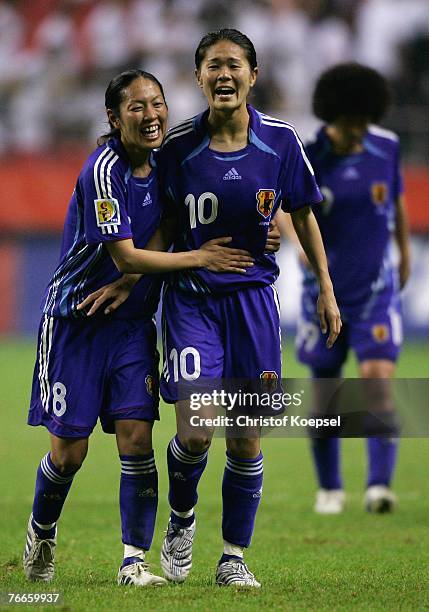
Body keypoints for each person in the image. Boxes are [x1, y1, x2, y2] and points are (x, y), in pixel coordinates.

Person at [23, 68, 256, 587]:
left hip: (131, 326)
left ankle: (134, 560)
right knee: (70, 453)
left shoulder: (167, 162)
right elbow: (126, 253)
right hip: (76, 322)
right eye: (137, 107)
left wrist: (256, 236)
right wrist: (200, 258)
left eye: (157, 104)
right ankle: (42, 531)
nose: (151, 115)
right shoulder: (103, 171)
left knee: (136, 439)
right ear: (114, 117)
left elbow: (185, 216)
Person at [156, 29, 341, 587]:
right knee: (196, 428)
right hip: (193, 301)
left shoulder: (282, 142)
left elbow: (304, 213)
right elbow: (161, 222)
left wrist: (326, 289)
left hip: (256, 303)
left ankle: (233, 556)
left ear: (253, 75)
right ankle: (182, 521)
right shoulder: (178, 148)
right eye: (213, 65)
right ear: (198, 77)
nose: (224, 75)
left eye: (234, 65)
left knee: (247, 434)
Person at [293, 63, 411, 514]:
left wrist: (405, 249)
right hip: (323, 292)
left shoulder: (387, 147)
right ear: (331, 116)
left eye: (365, 122)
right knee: (327, 392)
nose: (359, 132)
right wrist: (299, 246)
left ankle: (379, 486)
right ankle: (330, 488)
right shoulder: (308, 155)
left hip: (375, 288)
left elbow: (396, 198)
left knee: (377, 382)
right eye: (351, 124)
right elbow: (287, 208)